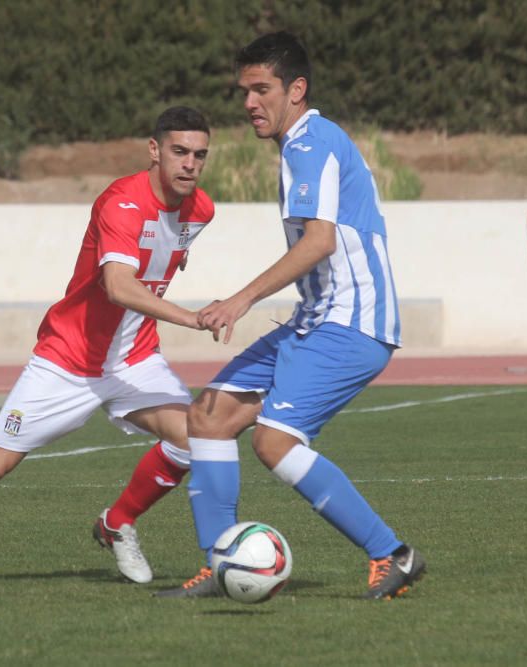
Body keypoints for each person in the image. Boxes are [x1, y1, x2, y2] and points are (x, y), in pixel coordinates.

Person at [0, 106, 215, 590]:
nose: (190, 164)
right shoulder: (120, 203)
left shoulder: (201, 210)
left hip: (134, 357)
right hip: (68, 360)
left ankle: (117, 524)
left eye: (199, 155)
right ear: (154, 151)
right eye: (179, 151)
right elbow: (118, 285)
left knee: (196, 436)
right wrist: (193, 317)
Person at [157, 32, 426, 601]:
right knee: (208, 416)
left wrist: (241, 299)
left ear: (296, 90)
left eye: (262, 89)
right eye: (244, 91)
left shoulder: (311, 143)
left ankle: (392, 554)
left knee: (274, 442)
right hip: (317, 318)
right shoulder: (303, 144)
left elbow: (318, 243)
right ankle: (221, 563)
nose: (249, 102)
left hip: (352, 322)